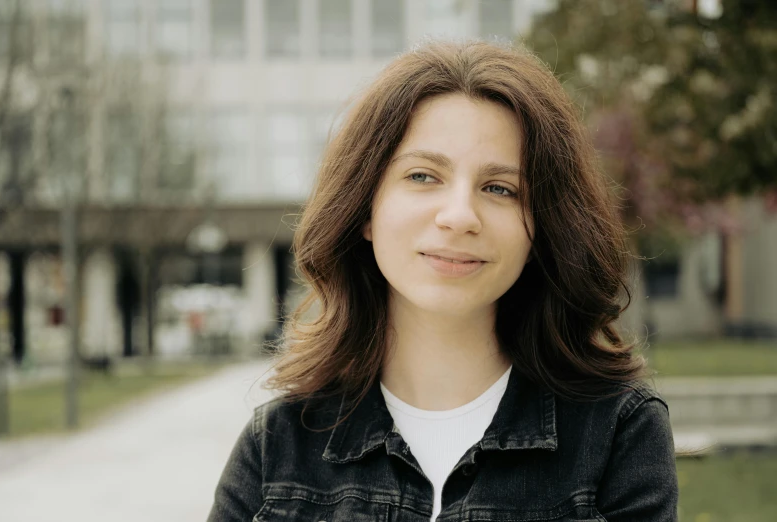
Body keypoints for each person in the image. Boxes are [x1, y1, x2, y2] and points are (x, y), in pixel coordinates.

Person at [207, 40, 678, 522]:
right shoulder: (277, 445)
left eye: (500, 188)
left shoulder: (617, 431)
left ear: (540, 230)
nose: (459, 216)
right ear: (365, 209)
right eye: (423, 176)